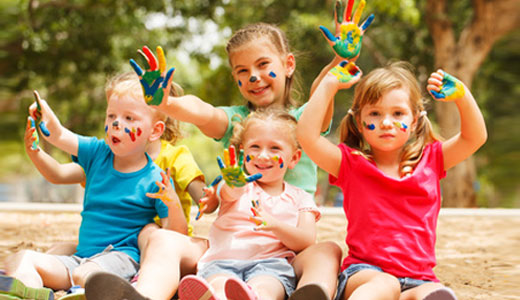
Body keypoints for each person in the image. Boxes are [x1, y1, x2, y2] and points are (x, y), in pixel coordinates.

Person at [120, 22, 346, 300]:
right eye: (243, 71)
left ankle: (308, 295)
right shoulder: (236, 122)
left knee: (328, 251)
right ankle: (144, 295)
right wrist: (167, 104)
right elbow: (202, 112)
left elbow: (324, 89)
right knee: (161, 239)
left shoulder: (304, 123)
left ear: (288, 64)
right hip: (228, 251)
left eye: (263, 65)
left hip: (283, 255)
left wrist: (341, 59)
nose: (254, 76)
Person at [297, 61, 487, 300]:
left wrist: (463, 96)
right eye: (375, 113)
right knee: (385, 285)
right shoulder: (349, 164)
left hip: (419, 278)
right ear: (358, 122)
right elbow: (306, 136)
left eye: (398, 113)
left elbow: (475, 137)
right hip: (366, 274)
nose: (386, 122)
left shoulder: (432, 160)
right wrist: (328, 85)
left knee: (438, 294)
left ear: (415, 120)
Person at [1, 72, 187, 300]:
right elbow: (59, 135)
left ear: (155, 131)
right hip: (80, 259)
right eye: (111, 116)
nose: (117, 123)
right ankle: (29, 293)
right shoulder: (97, 152)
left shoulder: (156, 178)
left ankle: (86, 294)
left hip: (121, 259)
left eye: (129, 118)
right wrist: (37, 145)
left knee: (85, 275)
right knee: (23, 259)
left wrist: (172, 201)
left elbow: (175, 234)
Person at [178, 108, 321, 300]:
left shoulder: (300, 197)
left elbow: (306, 239)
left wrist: (274, 225)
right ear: (242, 153)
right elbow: (229, 193)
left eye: (274, 148)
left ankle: (255, 297)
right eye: (255, 147)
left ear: (294, 158)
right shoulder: (236, 185)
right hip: (222, 262)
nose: (262, 155)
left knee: (265, 288)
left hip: (270, 265)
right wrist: (233, 183)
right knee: (219, 285)